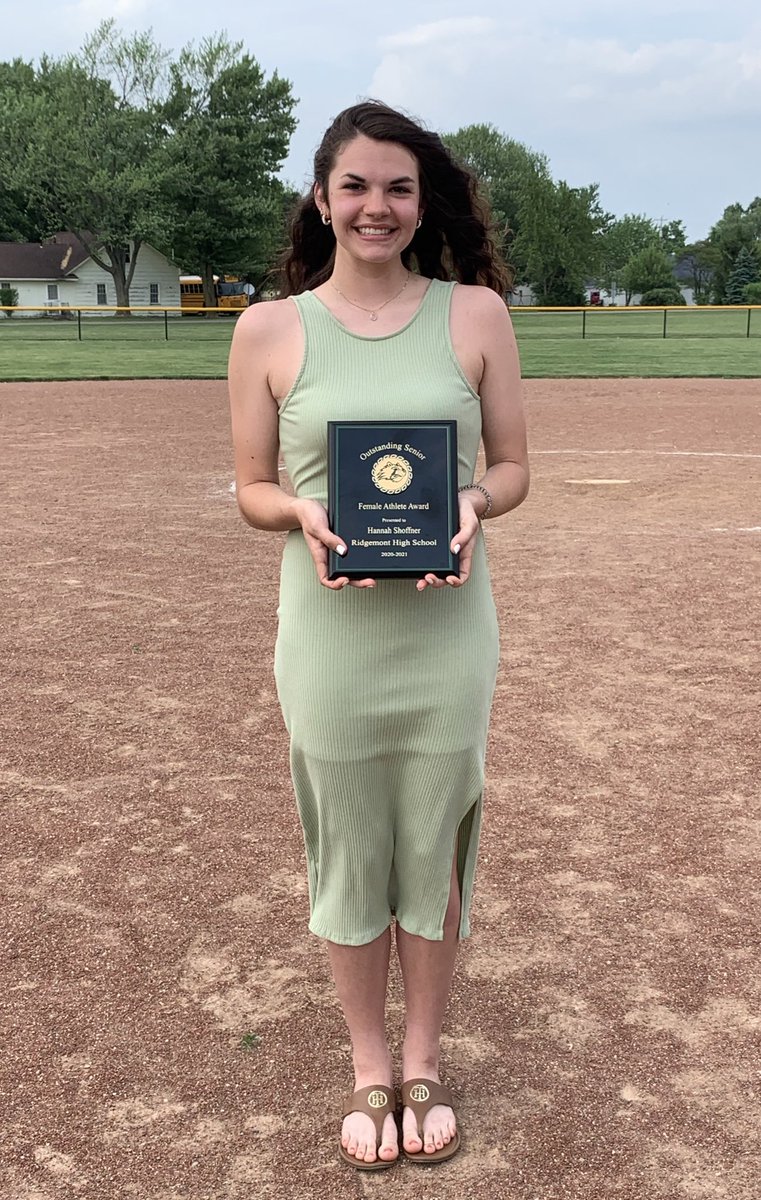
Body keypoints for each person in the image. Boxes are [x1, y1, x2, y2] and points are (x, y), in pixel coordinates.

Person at [228, 100, 529, 1169]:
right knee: (347, 844)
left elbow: (511, 469)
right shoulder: (267, 327)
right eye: (354, 185)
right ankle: (368, 1066)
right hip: (328, 634)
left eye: (397, 187)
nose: (376, 206)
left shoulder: (475, 314)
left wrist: (475, 504)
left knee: (433, 839)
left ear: (420, 202)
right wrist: (302, 513)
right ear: (322, 197)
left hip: (446, 632)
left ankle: (423, 1057)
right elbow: (253, 489)